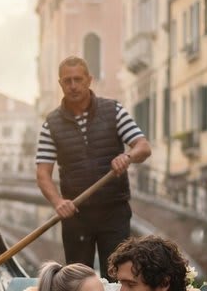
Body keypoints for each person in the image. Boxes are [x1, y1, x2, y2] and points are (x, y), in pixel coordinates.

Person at [35, 56, 152, 278]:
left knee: (119, 276)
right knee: (78, 281)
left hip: (114, 210)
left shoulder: (113, 111)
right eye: (67, 81)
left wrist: (127, 157)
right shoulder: (51, 124)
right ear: (60, 84)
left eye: (78, 79)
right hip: (76, 215)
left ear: (89, 80)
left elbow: (143, 147)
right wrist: (58, 202)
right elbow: (43, 174)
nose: (73, 86)